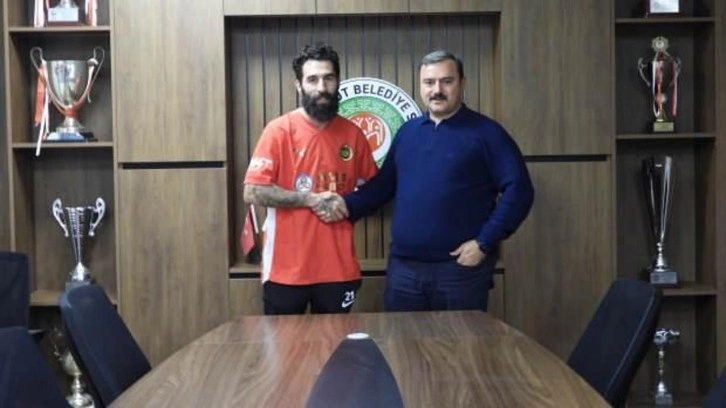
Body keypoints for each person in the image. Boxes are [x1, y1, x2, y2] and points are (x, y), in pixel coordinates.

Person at [317, 50, 534, 312]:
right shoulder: (408, 133)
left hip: (460, 272)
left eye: (446, 81)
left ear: (462, 83)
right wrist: (345, 204)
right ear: (421, 86)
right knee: (403, 340)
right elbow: (383, 187)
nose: (437, 90)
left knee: (459, 340)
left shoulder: (487, 133)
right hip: (404, 272)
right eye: (429, 82)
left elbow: (520, 191)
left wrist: (484, 242)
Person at [243, 43, 377, 315]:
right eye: (312, 79)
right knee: (283, 343)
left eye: (329, 78)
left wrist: (346, 204)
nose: (321, 87)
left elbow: (374, 191)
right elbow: (253, 191)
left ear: (337, 81)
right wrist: (310, 199)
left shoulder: (353, 134)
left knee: (336, 342)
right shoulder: (279, 131)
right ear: (299, 85)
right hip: (285, 272)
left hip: (338, 270)